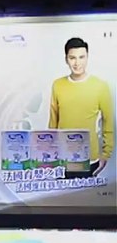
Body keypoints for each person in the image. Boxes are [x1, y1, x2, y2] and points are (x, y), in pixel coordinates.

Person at [48, 36, 113, 177]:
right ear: (66, 59)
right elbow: (53, 122)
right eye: (72, 58)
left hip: (90, 159)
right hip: (62, 159)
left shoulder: (100, 86)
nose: (77, 63)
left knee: (87, 198)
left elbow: (108, 122)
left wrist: (106, 154)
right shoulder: (57, 85)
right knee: (61, 198)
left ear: (87, 57)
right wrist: (50, 153)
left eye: (81, 57)